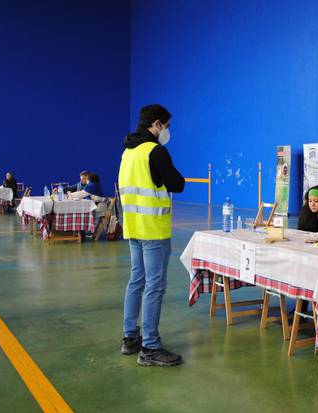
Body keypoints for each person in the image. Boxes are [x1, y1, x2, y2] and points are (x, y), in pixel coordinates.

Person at [118, 104, 185, 367]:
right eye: (166, 126)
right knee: (154, 286)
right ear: (156, 124)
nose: (167, 131)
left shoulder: (128, 152)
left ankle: (130, 337)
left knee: (137, 281)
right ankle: (150, 347)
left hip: (133, 227)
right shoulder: (155, 151)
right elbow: (177, 184)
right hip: (153, 230)